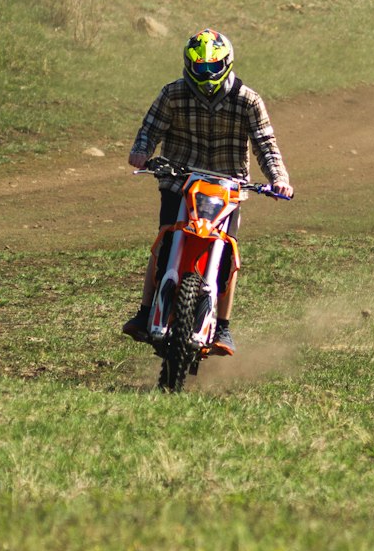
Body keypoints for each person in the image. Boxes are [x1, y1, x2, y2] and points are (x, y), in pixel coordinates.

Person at [123, 28, 293, 353]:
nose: (207, 74)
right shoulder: (173, 94)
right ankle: (145, 312)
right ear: (188, 65)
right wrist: (141, 151)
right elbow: (149, 128)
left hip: (228, 187)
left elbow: (265, 145)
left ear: (226, 63)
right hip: (179, 179)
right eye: (200, 68)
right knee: (164, 239)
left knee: (228, 251)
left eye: (213, 67)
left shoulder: (248, 100)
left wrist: (279, 177)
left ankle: (223, 327)